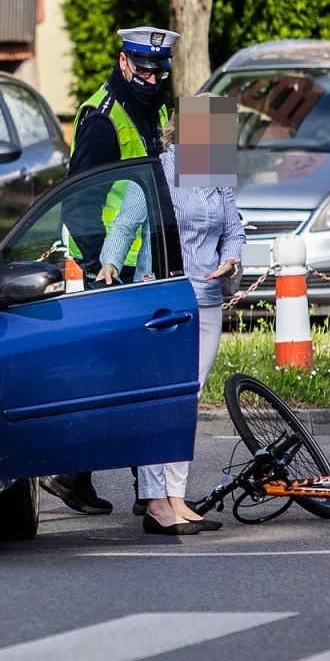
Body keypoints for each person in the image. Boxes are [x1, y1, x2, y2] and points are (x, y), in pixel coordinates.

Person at [40, 26, 180, 516]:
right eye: (143, 69)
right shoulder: (101, 118)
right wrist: (106, 267)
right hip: (113, 268)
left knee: (137, 376)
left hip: (158, 261)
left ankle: (123, 485)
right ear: (124, 63)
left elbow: (190, 173)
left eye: (159, 71)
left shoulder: (160, 105)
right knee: (134, 375)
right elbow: (79, 205)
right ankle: (146, 493)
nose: (152, 78)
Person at [95, 134, 245, 535]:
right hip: (163, 297)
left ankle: (176, 498)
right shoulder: (157, 170)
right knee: (160, 397)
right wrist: (110, 262)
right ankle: (155, 501)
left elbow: (234, 230)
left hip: (207, 298)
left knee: (187, 399)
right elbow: (126, 223)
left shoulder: (216, 176)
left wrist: (232, 259)